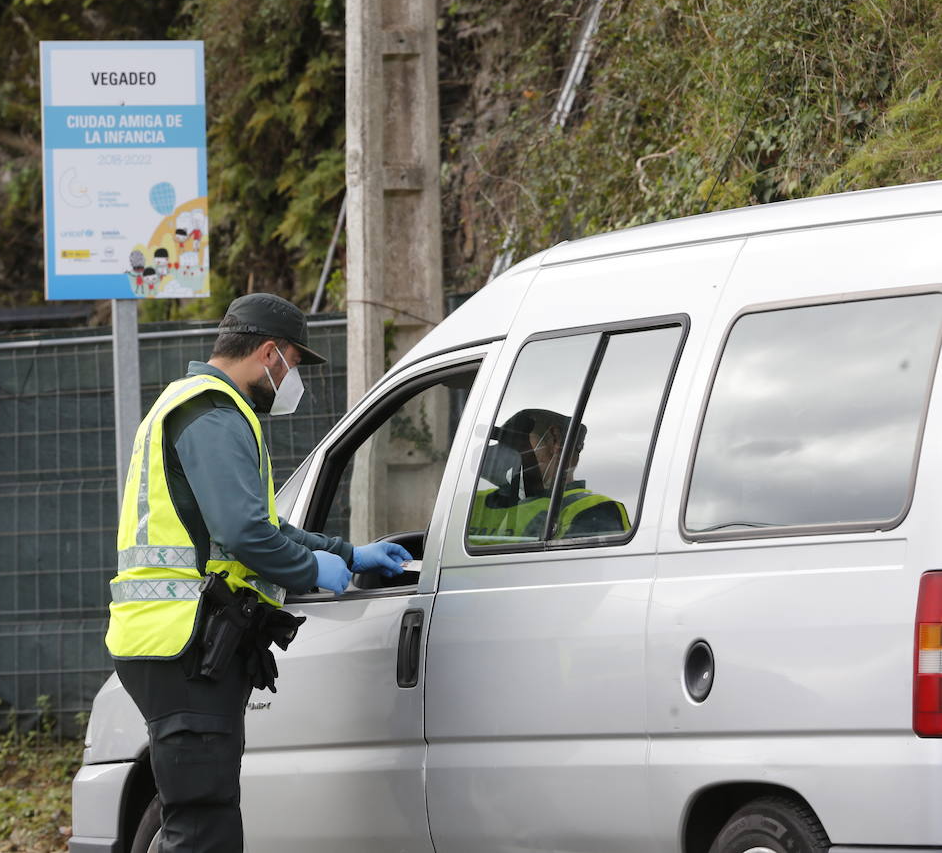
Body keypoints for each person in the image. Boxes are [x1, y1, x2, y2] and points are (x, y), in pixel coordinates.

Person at [106, 292, 412, 853]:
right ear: (270, 354)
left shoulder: (198, 406)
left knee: (203, 814)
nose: (293, 378)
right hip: (183, 643)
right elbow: (247, 535)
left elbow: (261, 526)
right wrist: (307, 570)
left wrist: (345, 554)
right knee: (202, 823)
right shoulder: (213, 414)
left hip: (172, 640)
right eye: (294, 363)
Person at [468, 407, 629, 542]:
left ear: (555, 440)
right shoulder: (470, 503)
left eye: (516, 442)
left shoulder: (595, 511)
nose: (504, 455)